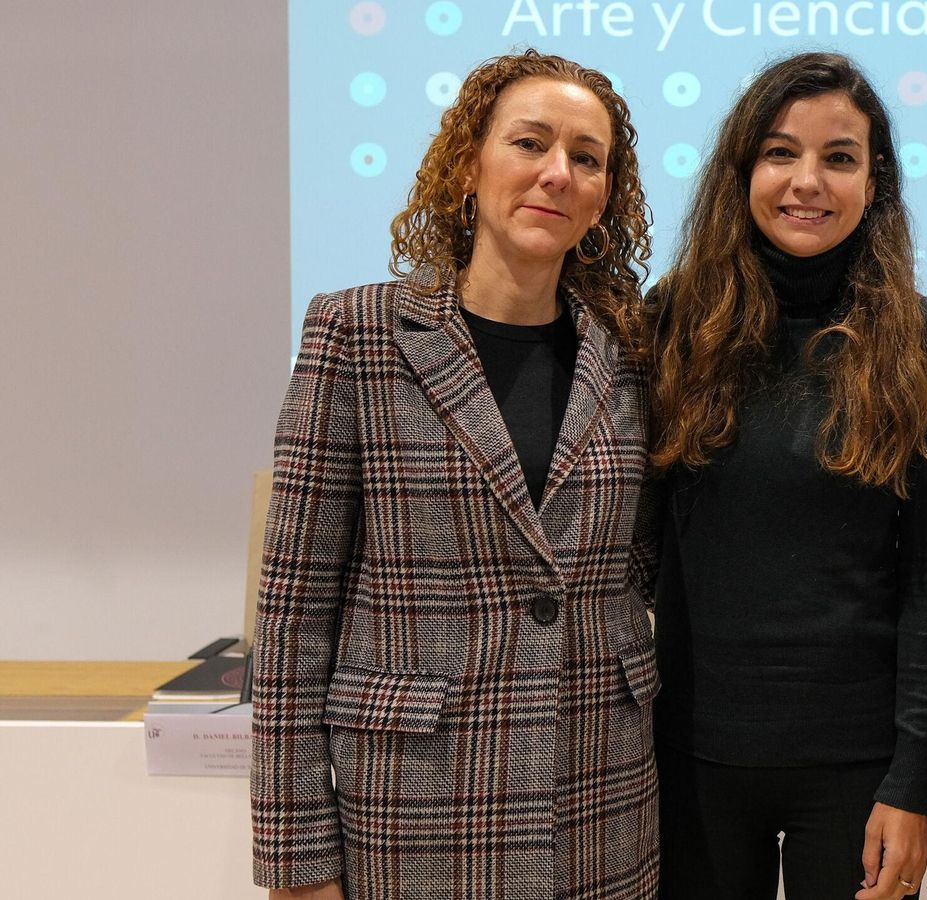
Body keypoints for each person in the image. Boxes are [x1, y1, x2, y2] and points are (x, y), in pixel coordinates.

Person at [249, 50, 658, 900]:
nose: (557, 172)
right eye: (530, 143)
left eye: (587, 158)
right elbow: (293, 612)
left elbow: (641, 562)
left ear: (605, 197)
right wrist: (296, 862)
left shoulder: (628, 353)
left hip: (597, 797)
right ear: (470, 163)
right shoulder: (356, 331)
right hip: (415, 799)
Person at [645, 52, 927, 900]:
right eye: (781, 152)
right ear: (742, 169)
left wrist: (912, 777)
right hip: (691, 757)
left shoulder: (922, 338)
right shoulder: (669, 321)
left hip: (857, 769)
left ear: (875, 180)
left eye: (840, 157)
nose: (807, 182)